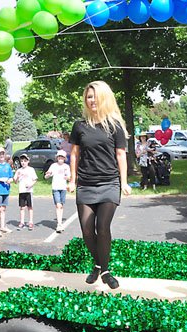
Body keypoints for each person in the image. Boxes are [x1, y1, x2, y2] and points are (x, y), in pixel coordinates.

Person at [68, 80, 131, 290]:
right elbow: (74, 154)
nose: (91, 100)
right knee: (87, 230)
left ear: (103, 98)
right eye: (88, 96)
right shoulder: (80, 125)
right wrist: (72, 179)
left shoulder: (115, 126)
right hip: (86, 184)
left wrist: (124, 183)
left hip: (109, 183)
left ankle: (104, 271)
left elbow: (121, 155)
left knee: (102, 228)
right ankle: (98, 264)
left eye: (94, 96)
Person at [45, 150, 71, 232]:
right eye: (59, 157)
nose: (60, 159)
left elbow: (69, 177)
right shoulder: (53, 166)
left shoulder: (66, 167)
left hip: (63, 187)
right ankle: (59, 224)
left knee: (61, 205)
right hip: (55, 187)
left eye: (62, 157)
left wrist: (67, 178)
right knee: (58, 205)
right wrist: (48, 174)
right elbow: (47, 175)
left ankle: (60, 222)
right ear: (57, 158)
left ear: (64, 158)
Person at [13, 153, 37, 230]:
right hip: (22, 191)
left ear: (28, 161)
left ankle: (30, 222)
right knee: (22, 207)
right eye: (22, 161)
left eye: (25, 161)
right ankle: (22, 221)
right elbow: (15, 181)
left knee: (30, 207)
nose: (23, 162)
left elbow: (35, 180)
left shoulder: (31, 170)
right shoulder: (19, 170)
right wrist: (17, 177)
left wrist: (30, 185)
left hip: (29, 191)